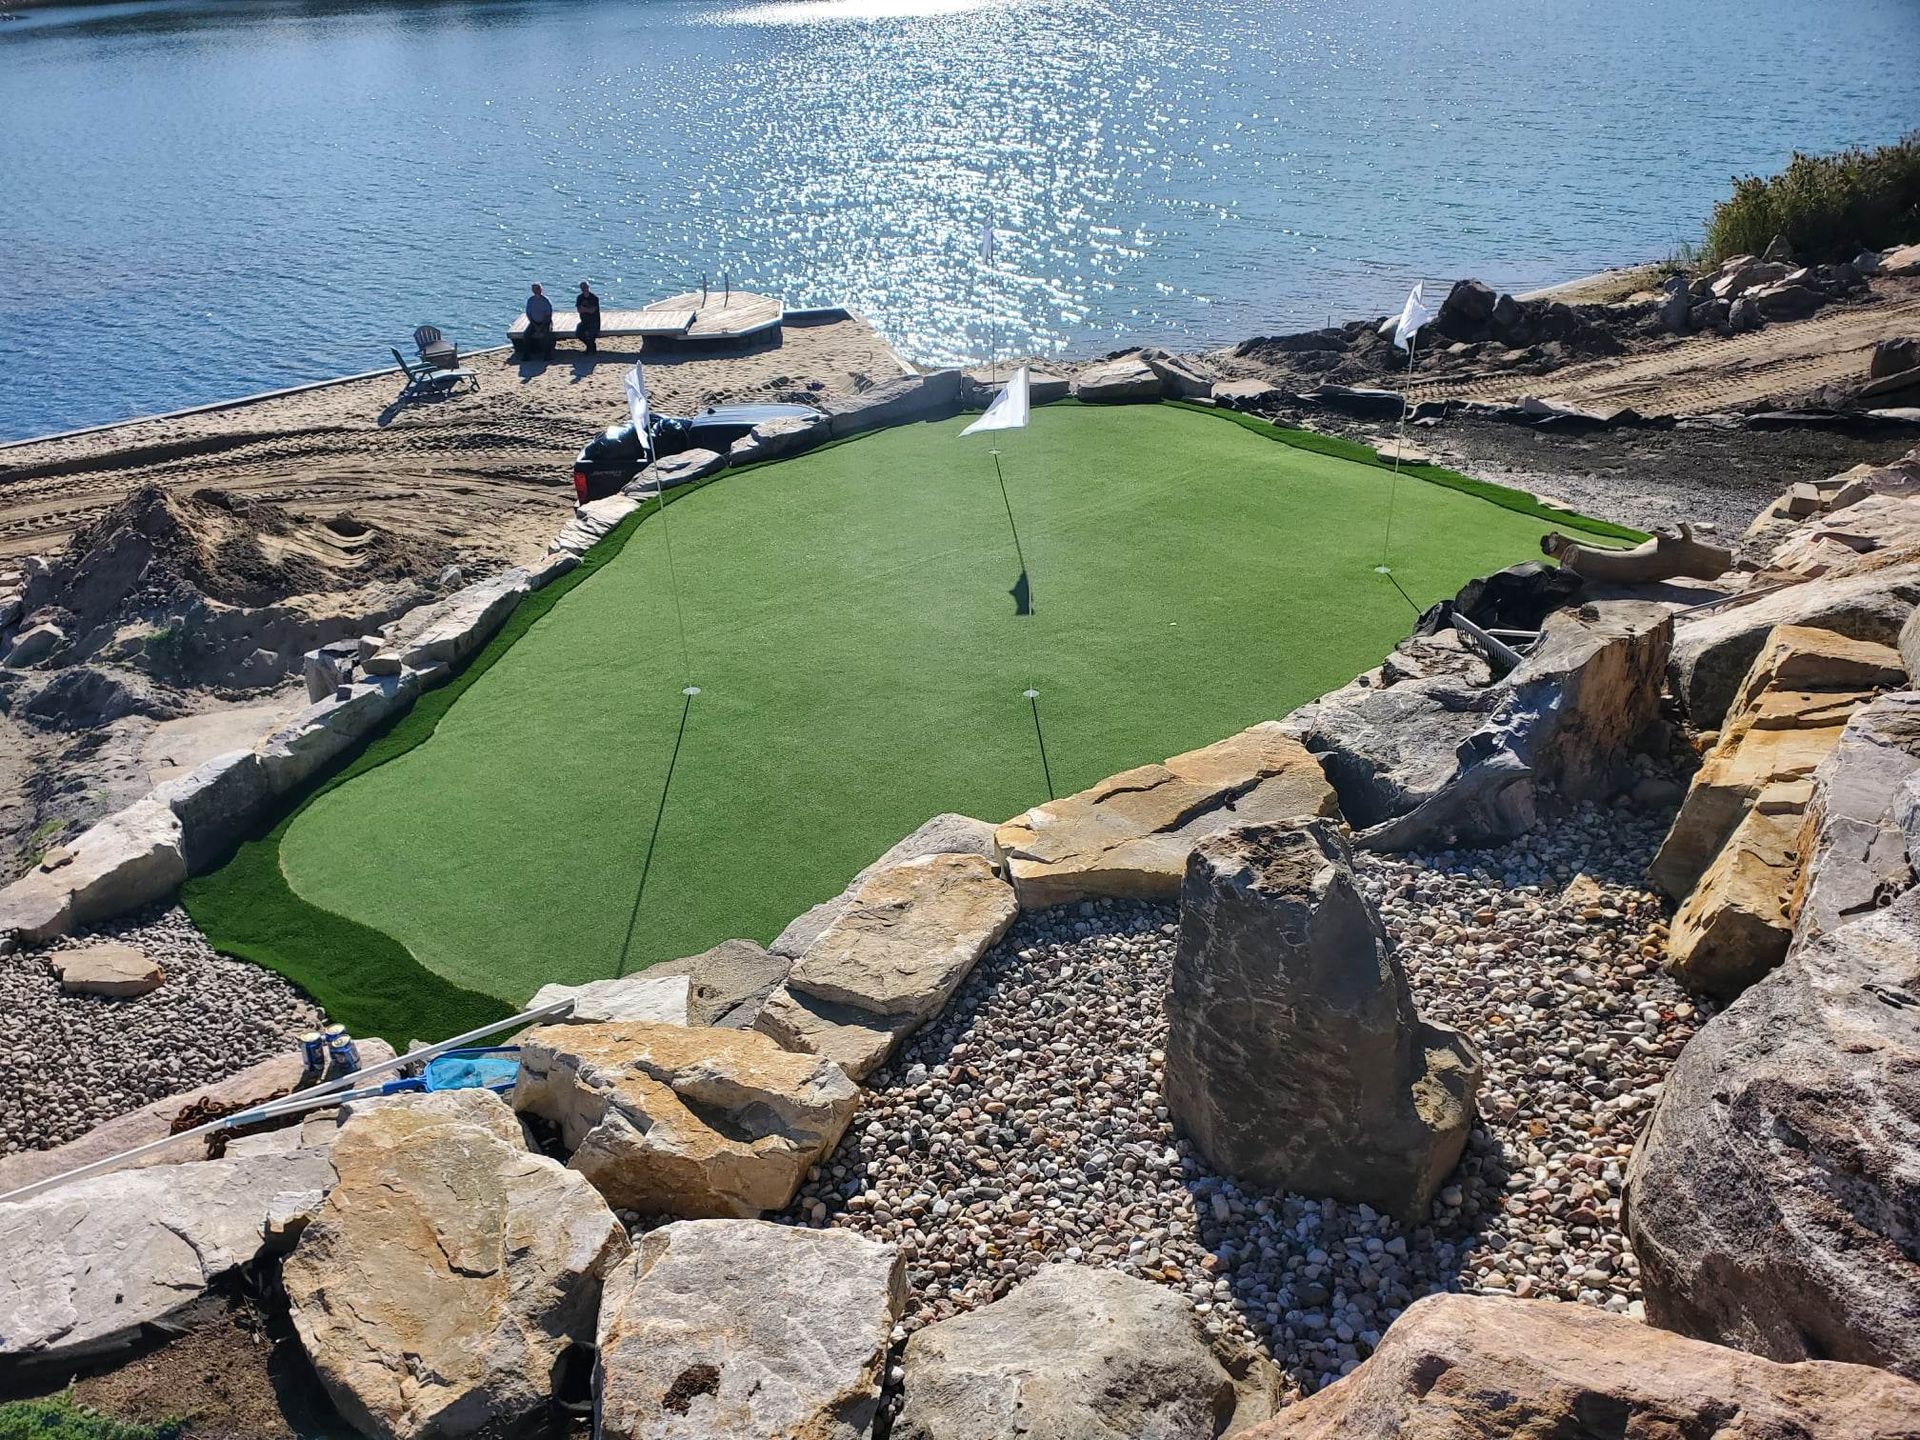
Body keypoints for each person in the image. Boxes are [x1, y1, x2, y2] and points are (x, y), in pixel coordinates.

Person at [523, 283, 554, 359]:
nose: (537, 291)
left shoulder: (545, 300)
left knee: (547, 335)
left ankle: (547, 355)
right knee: (526, 334)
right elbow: (529, 314)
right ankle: (527, 355)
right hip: (534, 322)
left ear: (541, 289)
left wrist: (542, 325)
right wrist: (534, 325)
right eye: (535, 289)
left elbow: (549, 315)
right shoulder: (530, 300)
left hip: (545, 322)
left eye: (538, 289)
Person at [576, 281, 602, 355]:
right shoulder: (579, 298)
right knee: (578, 333)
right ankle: (590, 346)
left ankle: (590, 348)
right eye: (583, 288)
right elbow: (579, 310)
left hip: (594, 321)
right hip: (584, 321)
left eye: (586, 287)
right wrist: (586, 310)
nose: (584, 289)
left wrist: (584, 309)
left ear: (588, 287)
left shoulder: (594, 298)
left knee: (591, 334)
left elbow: (592, 311)